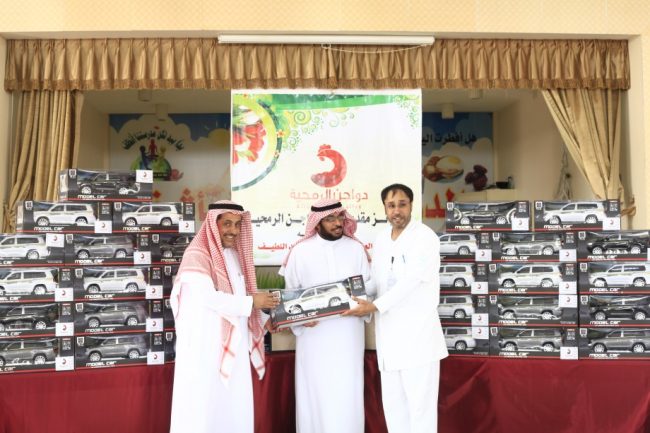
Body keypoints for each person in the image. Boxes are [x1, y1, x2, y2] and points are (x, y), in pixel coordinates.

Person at [344, 184, 449, 433]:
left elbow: (411, 282)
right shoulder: (381, 239)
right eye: (391, 206)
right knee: (394, 409)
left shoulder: (425, 238)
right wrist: (349, 296)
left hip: (418, 340)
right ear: (384, 208)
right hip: (389, 342)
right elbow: (377, 282)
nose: (396, 211)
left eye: (402, 204)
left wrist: (374, 306)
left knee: (420, 411)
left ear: (411, 205)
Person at [169, 200, 279, 433]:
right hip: (204, 351)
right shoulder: (197, 256)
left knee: (234, 409)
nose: (234, 230)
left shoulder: (234, 256)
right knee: (204, 410)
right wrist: (253, 302)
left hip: (233, 346)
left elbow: (240, 298)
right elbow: (209, 298)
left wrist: (264, 320)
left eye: (238, 224)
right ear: (213, 224)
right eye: (227, 223)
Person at [280, 199, 372, 433]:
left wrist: (363, 306)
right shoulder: (300, 252)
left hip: (348, 337)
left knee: (346, 393)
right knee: (314, 393)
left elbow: (369, 287)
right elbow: (290, 295)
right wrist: (300, 321)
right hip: (314, 338)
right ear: (317, 223)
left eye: (340, 217)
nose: (337, 223)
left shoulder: (356, 249)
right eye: (330, 219)